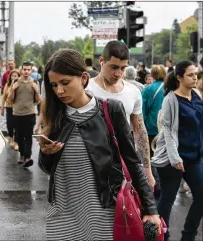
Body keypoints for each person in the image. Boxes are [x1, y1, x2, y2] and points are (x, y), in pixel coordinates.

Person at [38, 49, 161, 240]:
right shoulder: (55, 114)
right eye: (53, 85)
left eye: (65, 83)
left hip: (102, 213)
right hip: (62, 215)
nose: (59, 91)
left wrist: (151, 208)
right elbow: (46, 168)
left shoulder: (110, 110)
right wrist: (46, 153)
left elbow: (131, 160)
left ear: (83, 78)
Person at [86, 40, 156, 191]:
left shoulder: (133, 92)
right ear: (101, 61)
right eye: (114, 67)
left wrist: (147, 171)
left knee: (123, 209)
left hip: (124, 165)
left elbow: (140, 131)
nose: (118, 73)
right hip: (90, 164)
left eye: (123, 68)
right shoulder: (86, 89)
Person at [151, 61, 203, 241]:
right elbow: (169, 131)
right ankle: (160, 236)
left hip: (194, 157)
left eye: (195, 74)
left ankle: (188, 236)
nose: (195, 77)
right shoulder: (170, 100)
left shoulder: (196, 95)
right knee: (167, 199)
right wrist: (175, 158)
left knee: (201, 196)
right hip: (171, 158)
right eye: (190, 75)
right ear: (179, 77)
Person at [7, 61, 41, 167]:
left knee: (28, 136)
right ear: (21, 70)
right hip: (17, 113)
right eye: (24, 69)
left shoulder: (35, 82)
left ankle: (27, 157)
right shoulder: (16, 81)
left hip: (30, 113)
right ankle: (22, 154)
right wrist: (13, 89)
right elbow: (10, 99)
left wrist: (36, 91)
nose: (26, 71)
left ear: (31, 71)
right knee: (19, 136)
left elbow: (38, 101)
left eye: (28, 69)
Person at [142, 64, 166, 200]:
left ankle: (156, 186)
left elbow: (142, 110)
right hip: (166, 129)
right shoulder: (170, 89)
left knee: (151, 158)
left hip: (151, 128)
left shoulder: (148, 89)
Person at [1, 69, 20, 151]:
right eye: (12, 75)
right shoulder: (7, 85)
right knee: (9, 125)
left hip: (17, 108)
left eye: (15, 76)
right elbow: (4, 97)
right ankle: (11, 138)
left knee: (17, 125)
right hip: (9, 107)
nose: (14, 77)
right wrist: (2, 107)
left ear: (19, 77)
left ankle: (16, 141)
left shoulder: (20, 85)